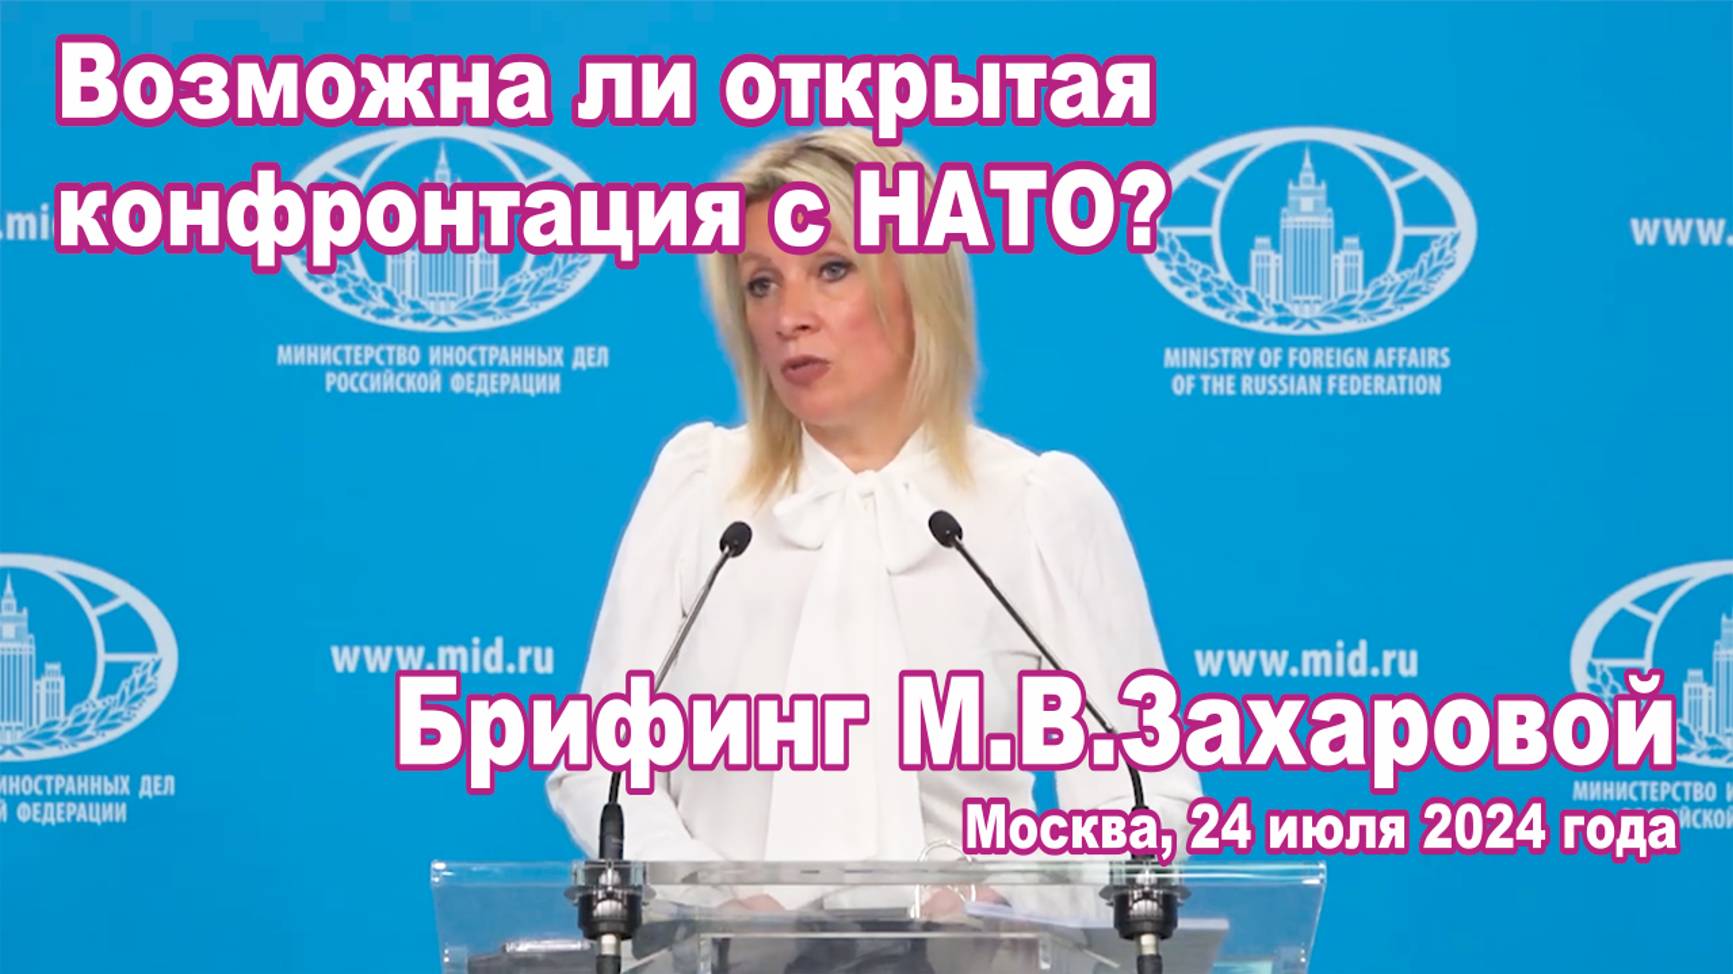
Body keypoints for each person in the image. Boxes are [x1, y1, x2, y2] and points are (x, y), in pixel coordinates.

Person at [546, 127, 1201, 871]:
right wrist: (715, 895)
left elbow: (1144, 798)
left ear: (918, 285)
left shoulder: (1037, 507)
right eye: (761, 284)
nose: (788, 316)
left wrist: (1006, 895)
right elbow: (600, 767)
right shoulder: (700, 490)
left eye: (832, 269)